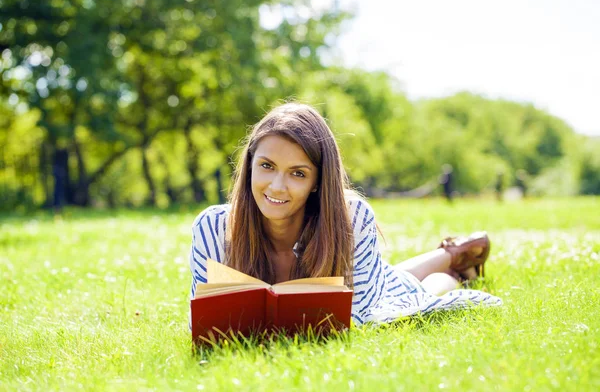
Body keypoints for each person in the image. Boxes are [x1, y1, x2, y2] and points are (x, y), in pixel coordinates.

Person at [189, 103, 501, 326]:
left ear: (317, 182)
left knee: (414, 294)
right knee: (393, 276)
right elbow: (200, 321)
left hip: (380, 292)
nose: (277, 186)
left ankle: (453, 267)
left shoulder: (351, 217)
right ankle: (454, 252)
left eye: (298, 173)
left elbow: (363, 316)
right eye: (267, 166)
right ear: (250, 165)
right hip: (376, 278)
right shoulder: (213, 227)